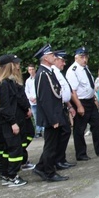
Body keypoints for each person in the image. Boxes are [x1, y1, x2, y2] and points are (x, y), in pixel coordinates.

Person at [32, 44, 69, 182]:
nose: (54, 57)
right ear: (46, 58)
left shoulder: (48, 72)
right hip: (51, 116)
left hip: (55, 113)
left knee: (53, 143)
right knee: (51, 146)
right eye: (52, 55)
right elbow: (45, 99)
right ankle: (49, 172)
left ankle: (41, 167)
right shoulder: (42, 74)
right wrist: (53, 119)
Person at [0, 54, 29, 187]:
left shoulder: (8, 82)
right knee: (14, 149)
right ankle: (12, 175)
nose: (17, 66)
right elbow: (5, 107)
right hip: (9, 122)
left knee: (13, 149)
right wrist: (13, 122)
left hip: (12, 120)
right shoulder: (4, 84)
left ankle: (9, 174)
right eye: (15, 64)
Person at [67, 47, 99, 160]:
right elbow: (73, 91)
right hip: (81, 101)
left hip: (89, 100)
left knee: (98, 124)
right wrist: (79, 105)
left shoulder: (85, 69)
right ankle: (81, 154)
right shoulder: (73, 71)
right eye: (82, 57)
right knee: (79, 129)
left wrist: (94, 98)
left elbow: (89, 86)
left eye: (86, 57)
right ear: (76, 58)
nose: (84, 59)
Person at [50, 51, 75, 171]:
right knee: (63, 132)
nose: (64, 63)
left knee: (65, 132)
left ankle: (61, 158)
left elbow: (65, 91)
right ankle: (58, 159)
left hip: (63, 106)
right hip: (57, 107)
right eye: (62, 60)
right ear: (56, 60)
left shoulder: (58, 72)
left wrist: (69, 106)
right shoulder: (52, 71)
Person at [25, 63, 43, 138]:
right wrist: (30, 98)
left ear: (35, 69)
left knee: (42, 115)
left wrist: (36, 98)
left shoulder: (39, 78)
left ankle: (44, 130)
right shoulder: (28, 80)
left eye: (32, 69)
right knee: (36, 116)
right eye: (30, 70)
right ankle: (38, 131)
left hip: (39, 100)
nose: (31, 71)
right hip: (32, 102)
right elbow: (27, 91)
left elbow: (41, 89)